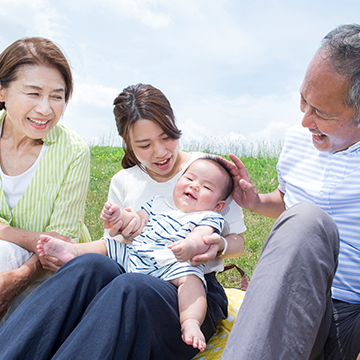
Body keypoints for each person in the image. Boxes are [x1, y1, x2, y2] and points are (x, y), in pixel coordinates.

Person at [0, 83, 245, 360]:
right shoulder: (125, 181)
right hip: (135, 269)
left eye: (167, 138)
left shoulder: (208, 172)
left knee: (130, 288)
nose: (160, 152)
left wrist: (219, 245)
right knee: (89, 265)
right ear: (128, 143)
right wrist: (119, 229)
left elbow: (237, 240)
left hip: (186, 294)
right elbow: (115, 245)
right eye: (144, 145)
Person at [220, 24, 360, 360]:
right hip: (300, 298)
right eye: (303, 101)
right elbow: (288, 203)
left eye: (321, 113)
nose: (304, 120)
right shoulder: (298, 140)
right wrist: (255, 201)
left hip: (354, 315)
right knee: (305, 220)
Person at [37, 157, 234, 352]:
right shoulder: (159, 203)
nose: (195, 186)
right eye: (189, 179)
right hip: (138, 254)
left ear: (218, 206)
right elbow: (136, 220)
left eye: (207, 187)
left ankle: (190, 321)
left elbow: (202, 237)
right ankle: (73, 251)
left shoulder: (208, 216)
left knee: (192, 280)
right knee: (108, 245)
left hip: (173, 263)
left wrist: (189, 246)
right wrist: (119, 216)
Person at [0, 37, 90, 326]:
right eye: (33, 93)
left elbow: (58, 243)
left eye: (57, 96)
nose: (45, 109)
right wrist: (28, 238)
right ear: (2, 91)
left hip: (48, 275)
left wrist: (20, 276)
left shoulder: (74, 151)